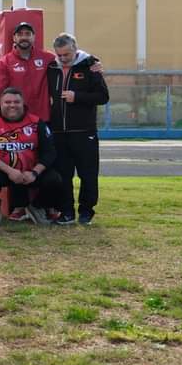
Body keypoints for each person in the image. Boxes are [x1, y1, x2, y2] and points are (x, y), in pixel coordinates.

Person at [46, 33, 109, 225]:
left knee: (87, 174)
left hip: (84, 132)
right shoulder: (51, 68)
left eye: (67, 54)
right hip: (58, 132)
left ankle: (86, 211)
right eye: (60, 55)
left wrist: (78, 96)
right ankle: (66, 212)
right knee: (63, 175)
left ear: (75, 49)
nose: (63, 59)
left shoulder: (90, 65)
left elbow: (103, 96)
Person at [0, 87, 64, 225]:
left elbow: (50, 152)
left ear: (23, 103)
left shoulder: (36, 122)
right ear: (0, 103)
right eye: (8, 102)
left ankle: (36, 206)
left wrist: (35, 172)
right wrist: (10, 171)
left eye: (16, 102)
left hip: (31, 172)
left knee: (55, 179)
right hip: (5, 172)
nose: (12, 105)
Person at [0, 22, 56, 123]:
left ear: (34, 37)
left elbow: (68, 57)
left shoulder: (47, 58)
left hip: (43, 118)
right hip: (18, 119)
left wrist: (88, 62)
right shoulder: (5, 63)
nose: (24, 37)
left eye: (28, 34)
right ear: (14, 38)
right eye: (20, 34)